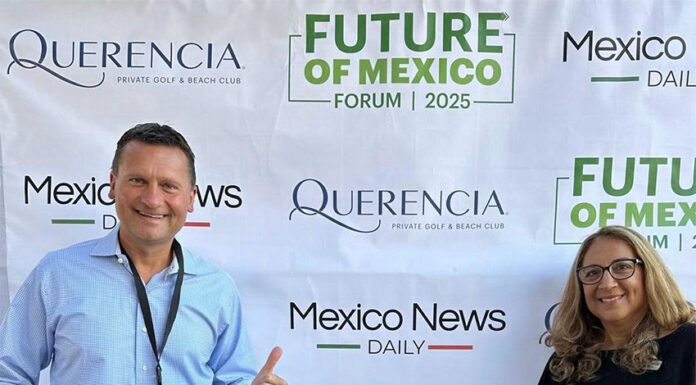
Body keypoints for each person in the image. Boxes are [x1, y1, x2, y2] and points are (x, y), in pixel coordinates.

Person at [0, 123, 288, 385]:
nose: (152, 199)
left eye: (168, 186)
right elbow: (8, 373)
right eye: (138, 181)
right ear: (113, 185)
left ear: (190, 198)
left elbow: (232, 380)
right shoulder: (56, 275)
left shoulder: (217, 289)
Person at [538, 225, 695, 384]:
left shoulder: (689, 344)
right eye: (593, 272)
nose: (607, 284)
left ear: (649, 274)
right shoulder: (565, 364)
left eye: (622, 267)